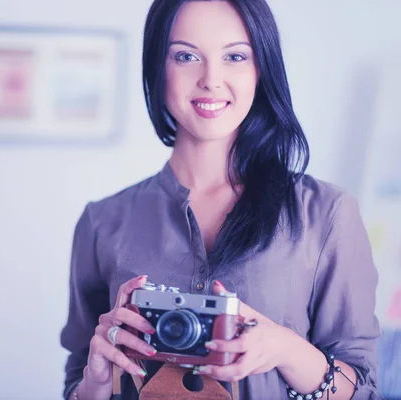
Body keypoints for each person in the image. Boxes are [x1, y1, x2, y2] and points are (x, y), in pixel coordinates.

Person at [60, 0, 382, 399]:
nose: (211, 79)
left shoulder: (327, 213)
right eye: (186, 56)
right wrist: (95, 380)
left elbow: (364, 390)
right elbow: (77, 379)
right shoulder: (102, 222)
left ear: (260, 70)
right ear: (157, 69)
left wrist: (285, 348)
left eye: (234, 56)